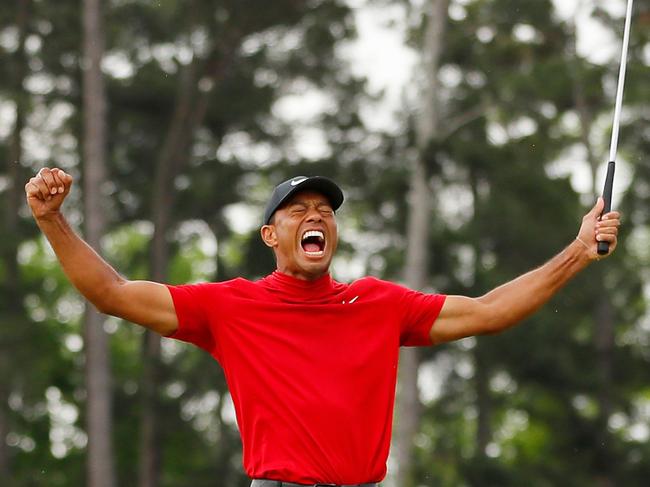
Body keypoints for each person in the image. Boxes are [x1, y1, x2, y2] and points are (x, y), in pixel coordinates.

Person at [25, 168, 620, 487]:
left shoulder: (379, 303)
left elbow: (489, 312)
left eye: (326, 212)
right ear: (270, 236)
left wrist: (575, 251)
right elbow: (113, 294)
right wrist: (53, 221)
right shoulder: (230, 306)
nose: (316, 218)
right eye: (299, 211)